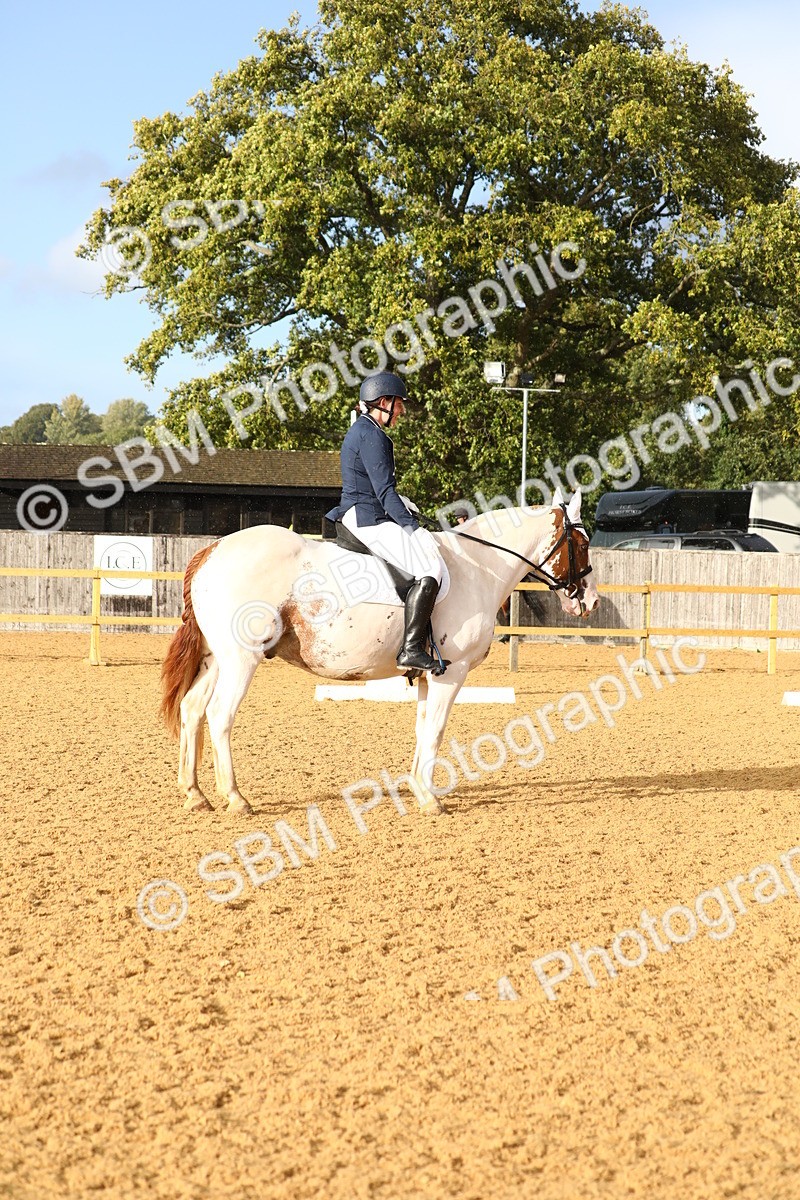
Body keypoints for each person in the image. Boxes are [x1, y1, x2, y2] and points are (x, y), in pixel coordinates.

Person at [326, 371, 447, 673]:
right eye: (399, 404)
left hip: (363, 511)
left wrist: (403, 504)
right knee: (430, 568)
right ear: (384, 402)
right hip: (367, 518)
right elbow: (384, 491)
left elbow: (376, 486)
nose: (402, 411)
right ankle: (411, 649)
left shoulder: (364, 430)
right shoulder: (372, 435)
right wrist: (412, 528)